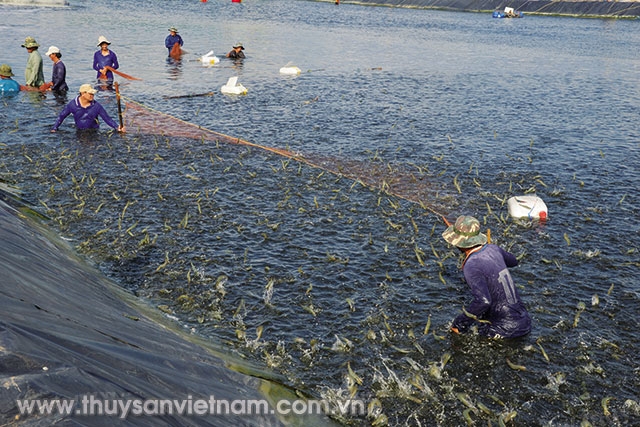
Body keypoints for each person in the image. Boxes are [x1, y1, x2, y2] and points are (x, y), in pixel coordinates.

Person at [442, 215, 531, 339]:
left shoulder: (471, 265)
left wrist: (459, 324)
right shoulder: (494, 249)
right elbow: (514, 261)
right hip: (525, 321)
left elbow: (483, 301)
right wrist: (494, 254)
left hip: (504, 330)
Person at [51, 84, 125, 133]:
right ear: (83, 94)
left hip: (94, 132)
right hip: (79, 132)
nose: (92, 96)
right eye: (90, 94)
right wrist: (54, 128)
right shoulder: (72, 105)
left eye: (93, 94)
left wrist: (117, 127)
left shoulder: (96, 106)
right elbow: (61, 116)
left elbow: (107, 119)